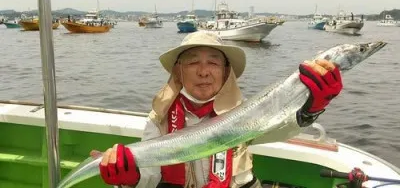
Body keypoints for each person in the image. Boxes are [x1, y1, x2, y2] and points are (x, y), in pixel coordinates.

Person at [93, 32, 343, 188]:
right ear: (178, 72)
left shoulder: (245, 115)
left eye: (213, 62)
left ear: (226, 71)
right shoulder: (159, 120)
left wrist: (311, 108)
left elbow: (280, 129)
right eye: (193, 63)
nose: (203, 71)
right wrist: (131, 180)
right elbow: (150, 176)